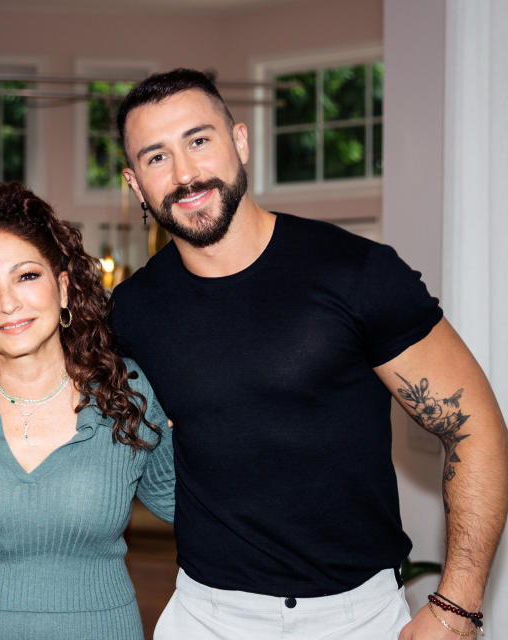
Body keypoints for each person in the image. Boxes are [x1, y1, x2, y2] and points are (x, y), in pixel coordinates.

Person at [109, 68, 508, 639]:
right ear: (134, 182)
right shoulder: (131, 311)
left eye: (199, 140)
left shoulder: (356, 273)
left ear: (240, 142)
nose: (185, 173)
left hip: (357, 619)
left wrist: (459, 607)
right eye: (156, 157)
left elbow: (477, 426)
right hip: (206, 617)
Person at [0, 183, 174, 640]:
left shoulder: (126, 392)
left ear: (65, 287)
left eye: (26, 276)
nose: (8, 303)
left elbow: (199, 508)